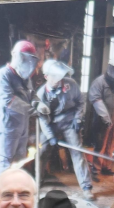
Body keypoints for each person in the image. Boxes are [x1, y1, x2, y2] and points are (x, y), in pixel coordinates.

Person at [33, 59, 92, 191]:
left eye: (60, 76)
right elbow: (42, 119)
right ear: (46, 76)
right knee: (41, 151)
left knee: (77, 152)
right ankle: (37, 181)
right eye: (54, 76)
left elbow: (80, 102)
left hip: (69, 122)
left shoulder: (71, 85)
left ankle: (86, 186)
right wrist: (50, 136)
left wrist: (77, 119)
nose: (58, 79)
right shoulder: (41, 94)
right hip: (50, 124)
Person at [0, 41, 38, 168]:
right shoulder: (2, 76)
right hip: (8, 128)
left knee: (19, 163)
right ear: (14, 55)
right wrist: (33, 111)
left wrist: (39, 104)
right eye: (24, 57)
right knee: (6, 163)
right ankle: (2, 188)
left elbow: (32, 94)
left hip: (22, 127)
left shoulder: (25, 78)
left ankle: (16, 188)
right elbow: (8, 100)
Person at [86, 61, 114, 174]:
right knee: (101, 144)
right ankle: (96, 168)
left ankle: (106, 167)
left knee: (111, 144)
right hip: (101, 121)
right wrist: (106, 118)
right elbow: (97, 101)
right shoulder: (99, 82)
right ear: (110, 68)